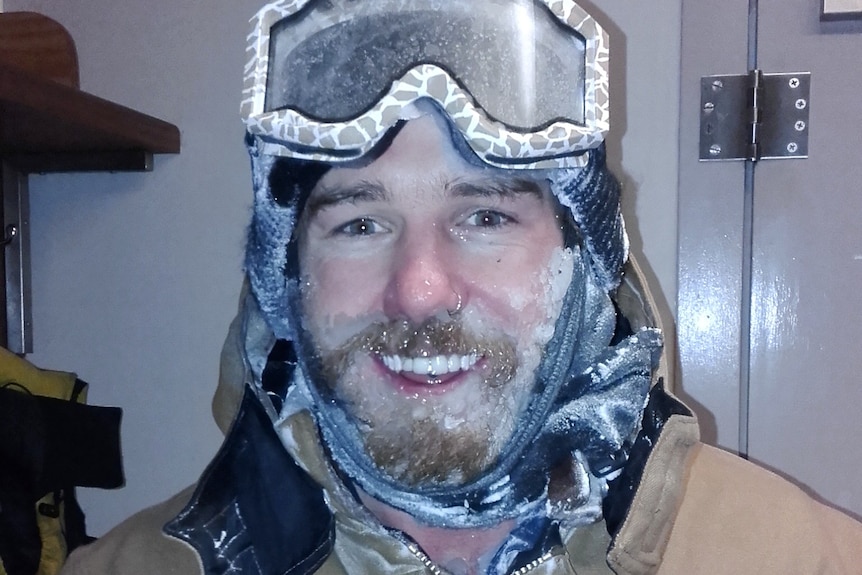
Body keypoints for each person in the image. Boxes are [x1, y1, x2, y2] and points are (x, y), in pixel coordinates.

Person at [61, 0, 862, 573]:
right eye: (359, 223)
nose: (418, 291)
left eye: (485, 217)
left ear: (587, 261)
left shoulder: (804, 557)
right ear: (286, 278)